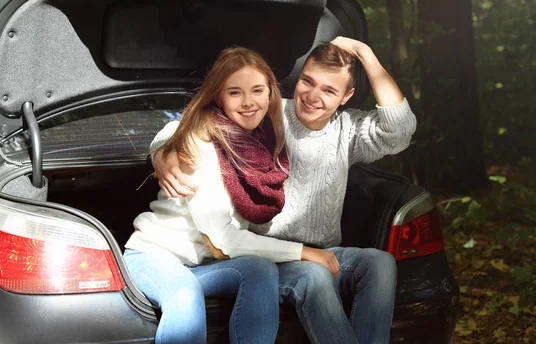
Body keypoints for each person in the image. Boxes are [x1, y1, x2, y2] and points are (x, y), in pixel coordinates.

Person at [150, 36, 417, 344]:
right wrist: (162, 151)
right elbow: (191, 124)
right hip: (268, 255)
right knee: (313, 277)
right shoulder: (271, 112)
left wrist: (366, 54)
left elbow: (400, 131)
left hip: (323, 252)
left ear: (346, 96)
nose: (313, 96)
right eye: (308, 81)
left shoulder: (350, 130)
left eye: (329, 90)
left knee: (380, 263)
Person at [124, 46, 341, 344]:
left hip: (200, 264)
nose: (249, 102)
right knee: (184, 295)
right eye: (235, 92)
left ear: (270, 94)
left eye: (257, 90)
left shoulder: (264, 144)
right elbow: (221, 241)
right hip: (154, 256)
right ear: (219, 97)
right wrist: (303, 251)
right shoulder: (198, 142)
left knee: (260, 270)